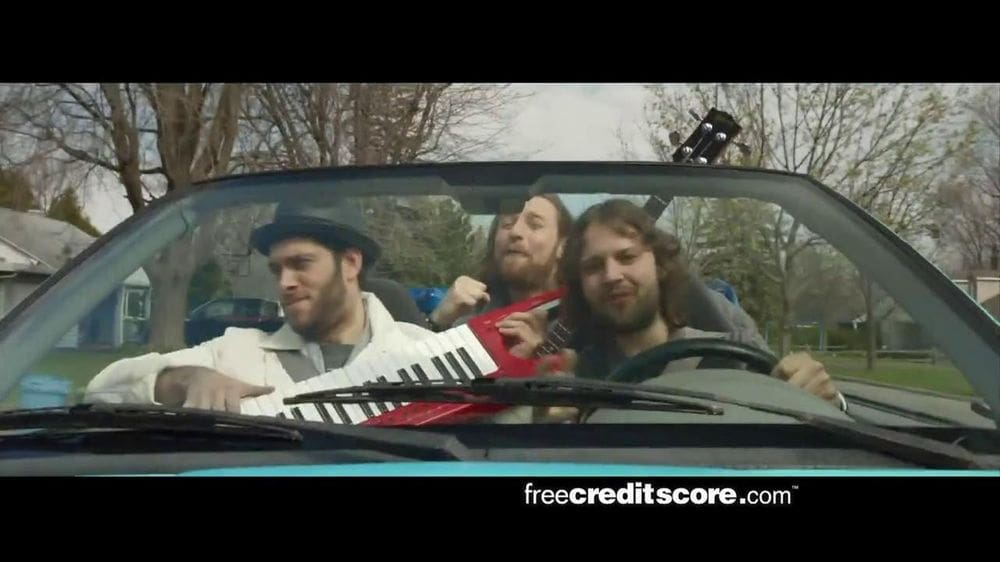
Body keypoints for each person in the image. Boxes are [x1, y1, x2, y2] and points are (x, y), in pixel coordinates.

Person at [83, 200, 436, 412]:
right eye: (277, 269)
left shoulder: (428, 354)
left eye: (301, 263)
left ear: (350, 264)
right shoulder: (237, 352)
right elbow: (100, 389)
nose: (284, 283)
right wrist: (185, 380)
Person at [536, 199, 844, 420]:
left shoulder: (735, 356)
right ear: (579, 285)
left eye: (627, 257)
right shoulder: (572, 381)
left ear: (659, 264)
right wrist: (546, 433)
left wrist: (828, 401)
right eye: (593, 266)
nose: (612, 275)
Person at [427, 193, 574, 357]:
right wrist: (437, 322)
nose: (515, 231)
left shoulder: (583, 323)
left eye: (534, 225)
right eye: (507, 224)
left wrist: (539, 355)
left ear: (564, 245)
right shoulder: (468, 318)